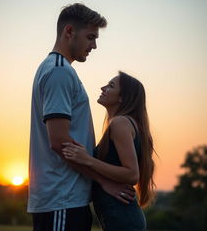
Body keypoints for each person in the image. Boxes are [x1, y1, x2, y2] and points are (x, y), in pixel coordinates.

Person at [27, 3, 135, 231]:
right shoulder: (59, 71)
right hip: (61, 199)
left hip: (66, 199)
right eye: (90, 37)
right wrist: (104, 181)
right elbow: (60, 142)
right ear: (69, 31)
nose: (94, 45)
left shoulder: (58, 69)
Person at [62, 71, 156, 231]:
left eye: (111, 86)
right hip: (121, 218)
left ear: (122, 98)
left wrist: (88, 159)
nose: (103, 87)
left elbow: (132, 174)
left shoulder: (121, 123)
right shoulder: (127, 124)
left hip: (123, 219)